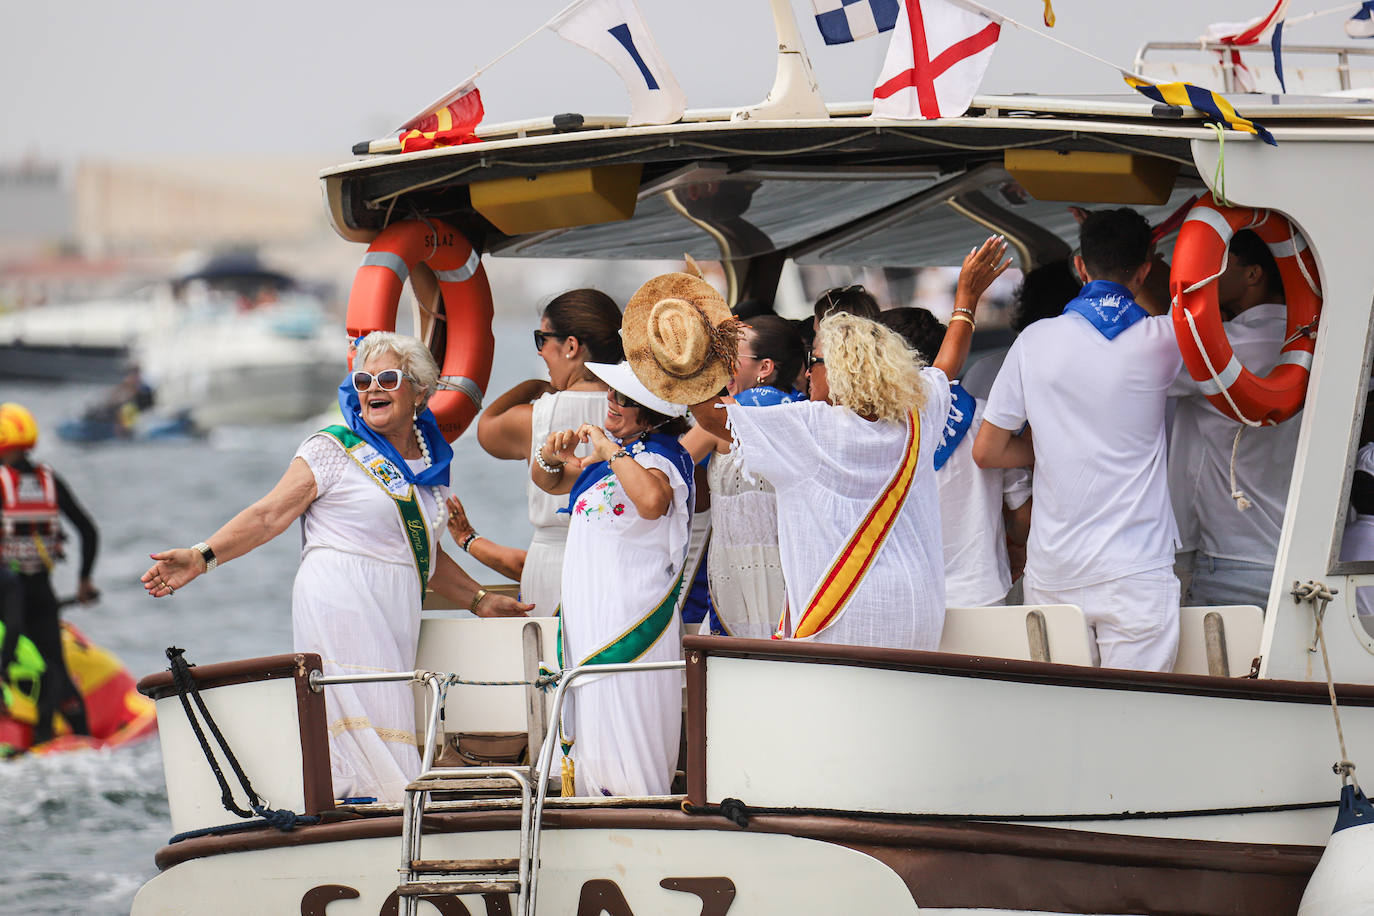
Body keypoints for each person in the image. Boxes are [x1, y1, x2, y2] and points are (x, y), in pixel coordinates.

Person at [142, 332, 531, 803]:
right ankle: (374, 807)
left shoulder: (427, 466)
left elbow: (421, 556)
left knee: (385, 712)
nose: (372, 389)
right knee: (357, 716)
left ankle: (387, 806)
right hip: (341, 596)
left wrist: (478, 599)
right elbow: (269, 515)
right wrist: (202, 557)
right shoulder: (332, 448)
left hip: (394, 609)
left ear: (420, 392)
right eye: (363, 380)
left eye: (387, 378)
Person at [687, 238, 1011, 649]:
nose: (806, 373)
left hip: (840, 622)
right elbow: (946, 365)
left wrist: (689, 356)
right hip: (918, 612)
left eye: (815, 360)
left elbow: (710, 415)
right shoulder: (918, 414)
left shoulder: (807, 427)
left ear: (838, 371)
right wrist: (966, 297)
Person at [974, 208, 1183, 671]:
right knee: (1137, 721)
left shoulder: (1034, 341)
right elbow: (1184, 315)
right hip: (1136, 570)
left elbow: (987, 450)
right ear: (1145, 269)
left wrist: (1047, 442)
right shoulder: (1164, 340)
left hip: (1056, 571)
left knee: (1064, 724)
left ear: (1080, 266)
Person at [533, 359, 694, 797]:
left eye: (623, 397)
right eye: (611, 391)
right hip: (591, 617)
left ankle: (635, 810)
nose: (611, 400)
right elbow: (551, 482)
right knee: (594, 719)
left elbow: (651, 501)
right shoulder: (622, 458)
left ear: (651, 411)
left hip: (631, 620)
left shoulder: (663, 456)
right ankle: (592, 802)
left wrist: (609, 450)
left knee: (627, 723)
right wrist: (549, 456)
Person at [1169, 229, 1300, 609]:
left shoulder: (1226, 345)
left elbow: (1145, 368)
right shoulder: (1314, 340)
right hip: (1299, 552)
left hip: (1231, 557)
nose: (1208, 275)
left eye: (1220, 265)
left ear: (1253, 274)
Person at [475, 289, 624, 613]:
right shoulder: (638, 411)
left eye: (542, 339)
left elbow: (485, 429)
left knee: (549, 661)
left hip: (552, 561)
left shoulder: (536, 416)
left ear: (571, 346)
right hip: (621, 559)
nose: (541, 351)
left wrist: (534, 386)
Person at [881, 308, 1032, 606]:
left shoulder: (875, 430)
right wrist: (1009, 548)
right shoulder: (986, 420)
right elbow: (1023, 514)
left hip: (908, 601)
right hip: (983, 593)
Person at [681, 315, 806, 637]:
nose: (721, 365)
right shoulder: (803, 413)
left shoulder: (730, 417)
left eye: (729, 355)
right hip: (792, 568)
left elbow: (672, 465)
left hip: (735, 570)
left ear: (764, 367)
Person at [0, 402, 98, 743]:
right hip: (42, 590)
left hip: (5, 592)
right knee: (53, 666)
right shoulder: (48, 479)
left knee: (9, 655)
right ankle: (79, 736)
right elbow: (88, 530)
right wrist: (84, 580)